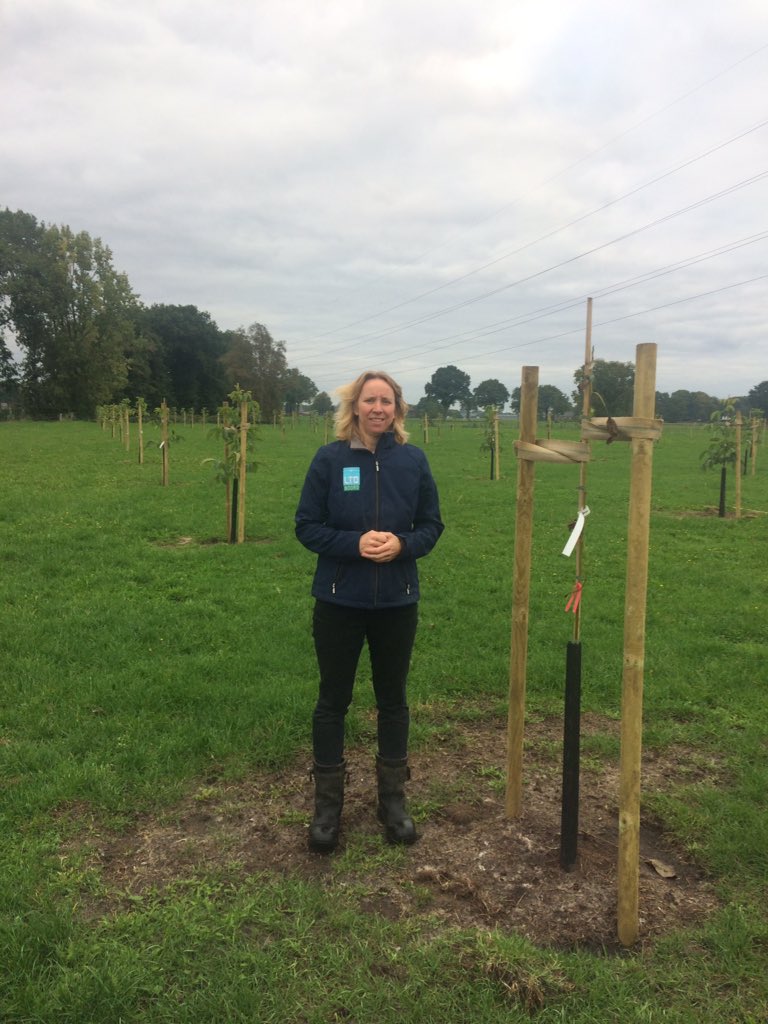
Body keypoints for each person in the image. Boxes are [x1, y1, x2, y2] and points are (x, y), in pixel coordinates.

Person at [295, 370, 444, 853]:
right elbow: (307, 527)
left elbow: (431, 526)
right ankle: (327, 808)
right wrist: (354, 543)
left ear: (398, 409)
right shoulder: (330, 460)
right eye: (369, 400)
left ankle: (392, 801)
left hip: (397, 602)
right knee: (332, 702)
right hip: (339, 600)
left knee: (393, 700)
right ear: (354, 407)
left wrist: (402, 544)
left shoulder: (413, 461)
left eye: (387, 401)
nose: (378, 408)